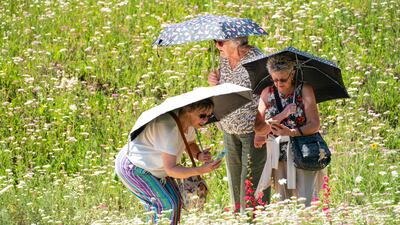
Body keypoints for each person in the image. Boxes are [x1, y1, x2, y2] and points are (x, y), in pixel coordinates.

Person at [115, 99, 222, 225]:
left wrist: (198, 155)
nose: (205, 120)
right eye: (202, 116)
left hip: (155, 168)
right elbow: (171, 169)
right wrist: (200, 170)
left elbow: (190, 142)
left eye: (209, 116)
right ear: (188, 109)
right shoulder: (168, 127)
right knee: (166, 205)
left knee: (175, 201)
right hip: (135, 168)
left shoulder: (187, 122)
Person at [208, 36, 271, 212]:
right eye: (216, 42)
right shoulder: (224, 60)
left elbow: (268, 94)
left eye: (221, 42)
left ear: (236, 43)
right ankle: (239, 218)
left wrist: (261, 130)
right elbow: (224, 91)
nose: (217, 46)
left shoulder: (257, 60)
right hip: (229, 130)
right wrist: (214, 83)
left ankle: (253, 219)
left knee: (250, 182)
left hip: (252, 131)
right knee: (235, 185)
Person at [254, 54, 322, 206]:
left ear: (292, 73)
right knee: (283, 201)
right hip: (279, 154)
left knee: (306, 201)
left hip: (303, 151)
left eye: (283, 79)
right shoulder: (267, 93)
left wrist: (291, 132)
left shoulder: (304, 89)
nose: (278, 83)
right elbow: (259, 128)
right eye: (275, 79)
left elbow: (314, 124)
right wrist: (282, 114)